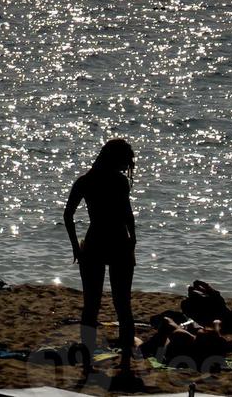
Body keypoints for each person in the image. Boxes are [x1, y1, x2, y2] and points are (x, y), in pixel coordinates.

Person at [64, 138, 140, 385]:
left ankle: (88, 364)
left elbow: (68, 214)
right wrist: (133, 242)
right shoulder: (119, 181)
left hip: (94, 242)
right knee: (122, 304)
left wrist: (76, 245)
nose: (128, 164)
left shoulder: (85, 181)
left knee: (91, 305)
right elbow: (127, 215)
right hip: (118, 242)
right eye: (126, 159)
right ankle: (126, 362)